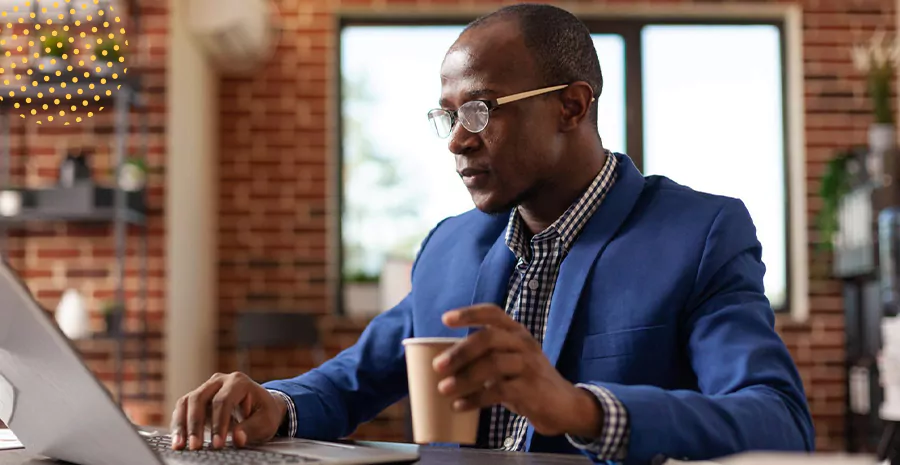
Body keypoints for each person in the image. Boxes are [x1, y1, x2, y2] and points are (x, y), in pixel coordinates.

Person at [170, 3, 815, 464]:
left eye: (480, 109)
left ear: (571, 105)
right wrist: (277, 403)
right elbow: (356, 378)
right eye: (446, 116)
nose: (457, 139)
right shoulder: (452, 245)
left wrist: (581, 409)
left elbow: (779, 422)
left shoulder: (698, 233)